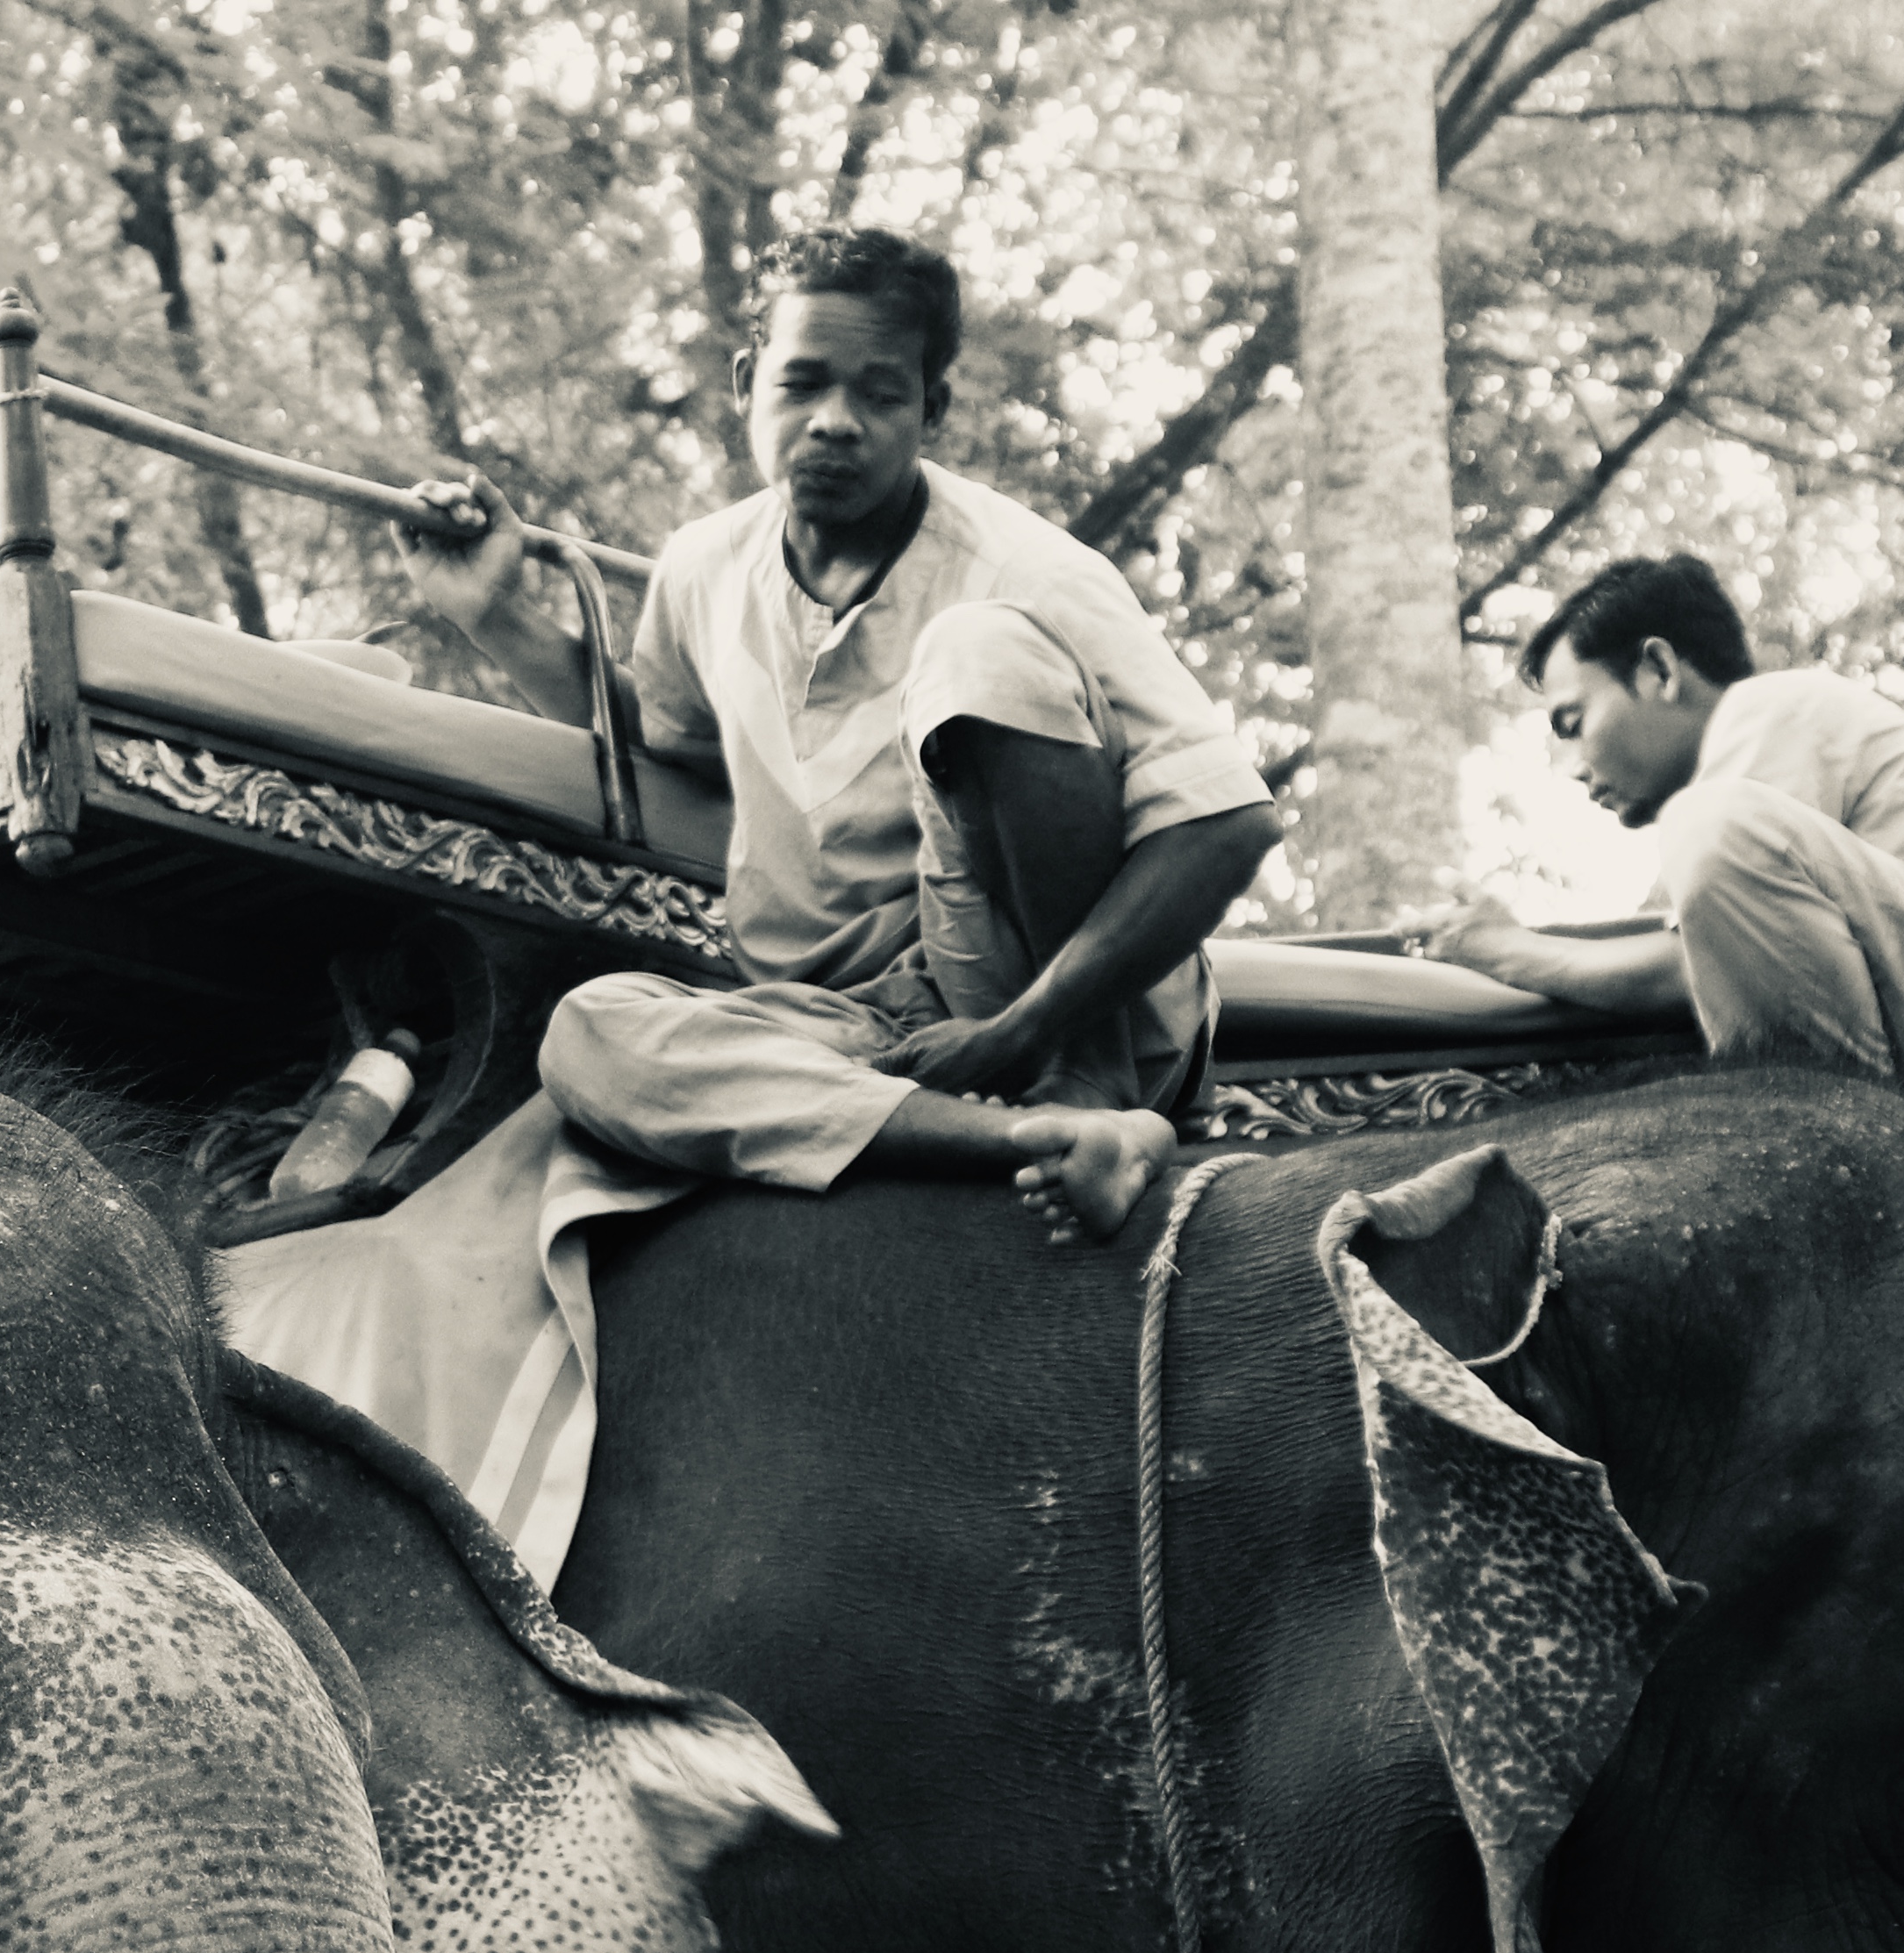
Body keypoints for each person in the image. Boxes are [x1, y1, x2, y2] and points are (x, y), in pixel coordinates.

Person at [400, 225, 1282, 1241]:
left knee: (977, 651)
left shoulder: (1029, 569)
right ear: (747, 382)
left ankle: (1086, 1090)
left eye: (880, 394)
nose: (833, 422)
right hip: (841, 1022)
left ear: (931, 410)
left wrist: (1021, 1029)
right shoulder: (701, 568)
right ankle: (1028, 1140)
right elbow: (667, 743)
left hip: (1044, 995)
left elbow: (1228, 822)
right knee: (592, 1034)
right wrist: (494, 612)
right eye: (803, 383)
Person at [1423, 554, 1904, 1185]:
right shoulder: (1744, 812)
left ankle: (1852, 1186)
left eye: (1572, 722)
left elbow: (1676, 969)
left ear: (1658, 670)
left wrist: (1506, 951)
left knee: (1710, 823)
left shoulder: (1768, 712)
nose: (1570, 768)